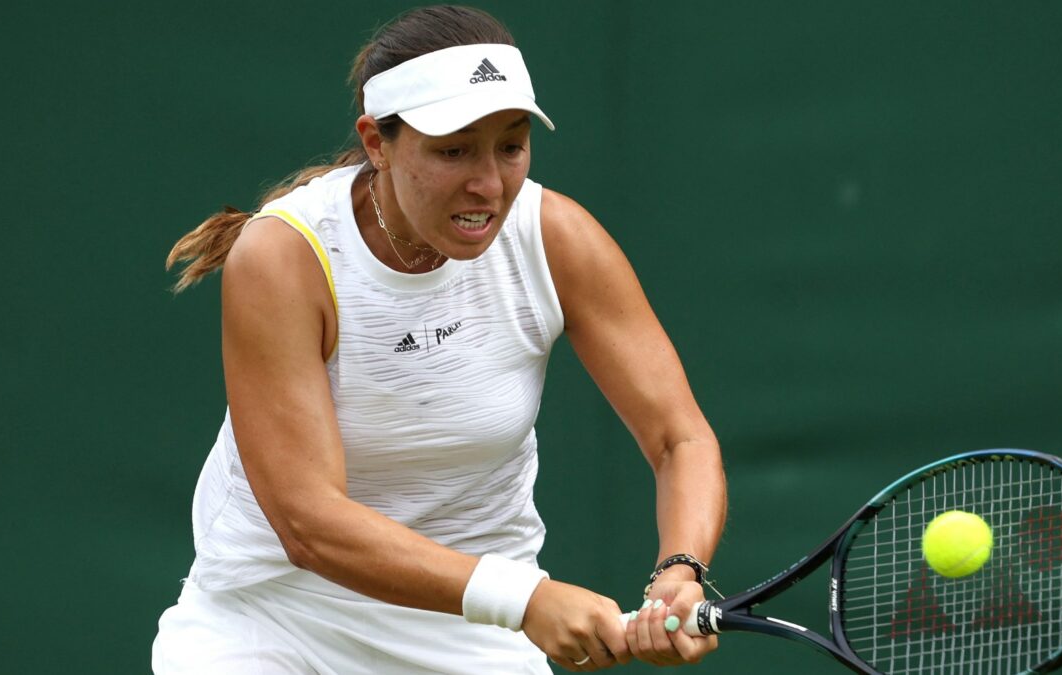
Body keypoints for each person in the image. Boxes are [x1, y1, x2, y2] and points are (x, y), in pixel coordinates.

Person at [152, 5, 726, 673]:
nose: (488, 183)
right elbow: (308, 522)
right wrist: (524, 598)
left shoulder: (558, 239)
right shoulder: (285, 255)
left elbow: (680, 438)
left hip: (474, 636)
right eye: (454, 150)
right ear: (376, 142)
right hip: (272, 623)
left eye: (511, 145)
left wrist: (679, 569)